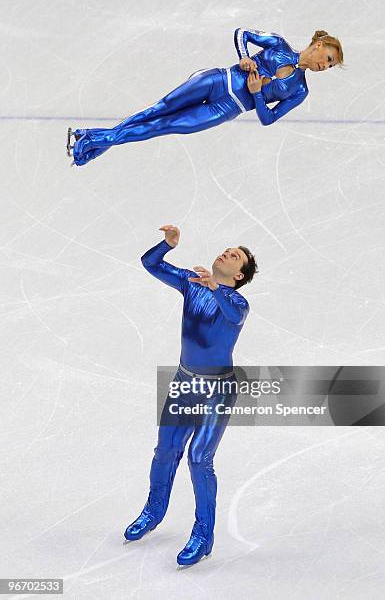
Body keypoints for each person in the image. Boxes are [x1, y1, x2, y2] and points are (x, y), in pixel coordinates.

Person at [124, 224, 258, 566]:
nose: (226, 253)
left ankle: (203, 534)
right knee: (166, 450)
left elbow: (232, 313)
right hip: (185, 384)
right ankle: (153, 512)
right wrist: (166, 245)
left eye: (234, 255)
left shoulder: (238, 301)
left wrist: (215, 289)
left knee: (200, 458)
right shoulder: (192, 283)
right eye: (226, 249)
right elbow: (150, 264)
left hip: (218, 390)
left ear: (239, 274)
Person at [68, 28, 344, 166]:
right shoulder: (278, 44)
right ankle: (92, 142)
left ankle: (92, 138)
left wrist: (258, 96)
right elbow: (241, 33)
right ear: (318, 45)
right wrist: (244, 57)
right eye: (328, 59)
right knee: (156, 111)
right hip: (216, 81)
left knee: (163, 126)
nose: (325, 66)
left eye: (330, 66)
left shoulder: (299, 90)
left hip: (227, 107)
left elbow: (268, 119)